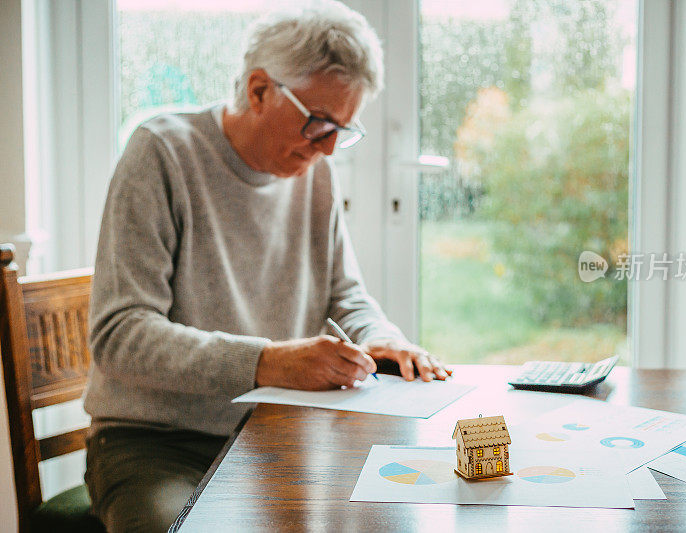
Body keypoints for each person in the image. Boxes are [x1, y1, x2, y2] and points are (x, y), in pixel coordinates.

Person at [83, 2, 450, 531]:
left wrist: (381, 336)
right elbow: (120, 337)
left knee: (395, 519)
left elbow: (345, 296)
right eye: (320, 122)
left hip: (279, 435)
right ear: (260, 90)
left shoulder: (314, 172)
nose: (327, 149)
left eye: (342, 130)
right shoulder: (161, 152)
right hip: (155, 445)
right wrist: (269, 362)